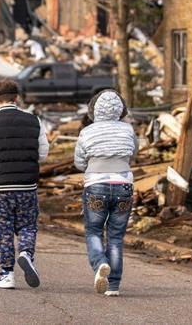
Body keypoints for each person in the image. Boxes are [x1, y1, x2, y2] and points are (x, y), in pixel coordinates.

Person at [0, 78, 50, 289]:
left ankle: (7, 274)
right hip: (27, 185)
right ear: (17, 98)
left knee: (2, 228)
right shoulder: (34, 120)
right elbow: (43, 152)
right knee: (27, 225)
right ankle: (26, 253)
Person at [74, 89, 137, 296]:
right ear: (120, 110)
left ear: (94, 110)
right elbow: (133, 153)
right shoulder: (128, 130)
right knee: (116, 236)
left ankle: (100, 263)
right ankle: (113, 286)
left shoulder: (87, 131)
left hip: (96, 185)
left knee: (93, 231)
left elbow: (79, 162)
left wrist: (93, 165)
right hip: (124, 184)